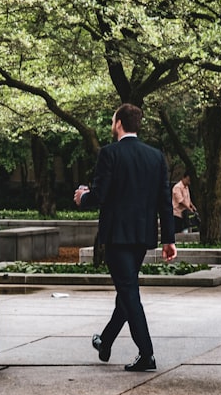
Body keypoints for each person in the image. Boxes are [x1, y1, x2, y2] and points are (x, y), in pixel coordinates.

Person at [74, 103, 176, 372]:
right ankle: (105, 341)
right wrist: (169, 239)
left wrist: (83, 197)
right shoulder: (156, 157)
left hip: (117, 236)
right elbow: (165, 202)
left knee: (129, 291)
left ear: (119, 123)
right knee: (126, 290)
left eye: (112, 120)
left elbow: (100, 194)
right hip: (142, 235)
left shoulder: (109, 154)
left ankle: (146, 353)